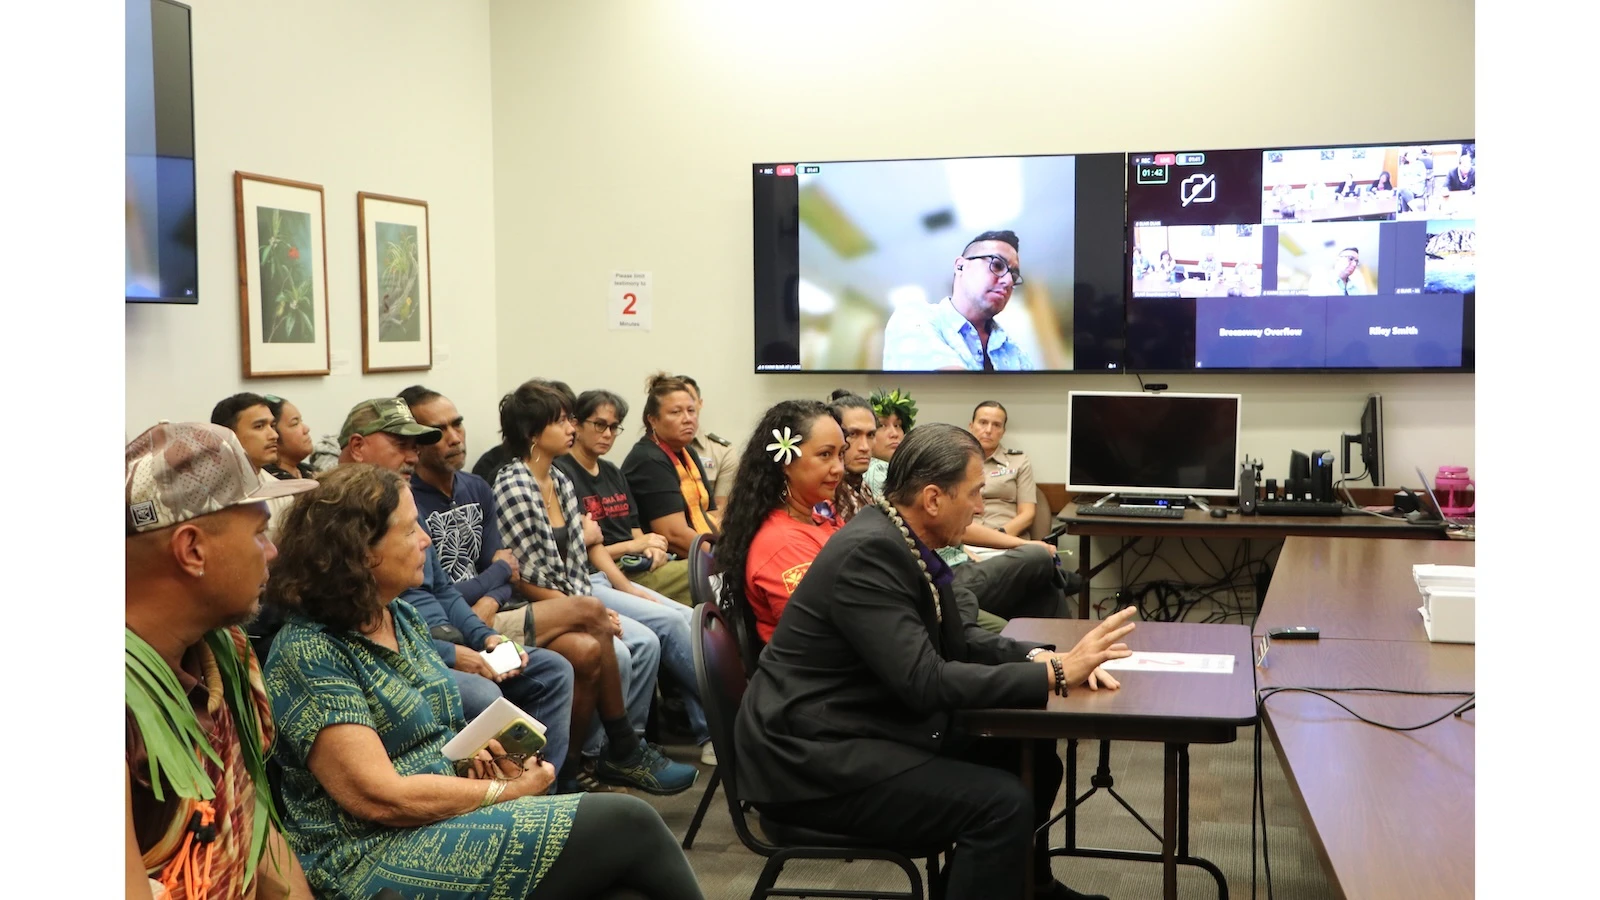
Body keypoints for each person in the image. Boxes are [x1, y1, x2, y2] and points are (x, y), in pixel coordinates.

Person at [261, 464, 706, 900]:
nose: (426, 539)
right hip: (369, 856)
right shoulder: (310, 651)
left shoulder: (398, 615)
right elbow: (378, 797)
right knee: (630, 820)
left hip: (437, 822)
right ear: (362, 552)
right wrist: (504, 791)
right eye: (409, 530)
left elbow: (436, 744)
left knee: (624, 890)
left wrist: (487, 766)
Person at [735, 424, 1138, 900]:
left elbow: (959, 636)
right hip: (812, 759)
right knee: (1001, 804)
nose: (981, 507)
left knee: (1030, 760)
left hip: (857, 725)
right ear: (932, 498)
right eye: (975, 493)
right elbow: (924, 681)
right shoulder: (871, 552)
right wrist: (1052, 676)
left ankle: (1028, 885)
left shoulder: (900, 537)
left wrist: (1048, 658)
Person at [125, 422, 317, 900]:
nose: (271, 551)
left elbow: (256, 834)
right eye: (258, 531)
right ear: (192, 550)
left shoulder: (224, 652)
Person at [495, 379, 711, 778]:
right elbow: (518, 579)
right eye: (561, 422)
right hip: (528, 605)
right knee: (622, 647)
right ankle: (605, 753)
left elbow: (577, 564)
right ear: (532, 434)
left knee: (639, 639)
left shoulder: (559, 480)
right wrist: (585, 610)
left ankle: (621, 748)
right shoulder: (513, 485)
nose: (571, 429)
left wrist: (588, 607)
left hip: (572, 597)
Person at [400, 385, 527, 638]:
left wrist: (489, 601)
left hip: (488, 611)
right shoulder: (406, 501)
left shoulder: (477, 487)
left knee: (584, 637)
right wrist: (499, 571)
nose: (455, 438)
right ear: (416, 444)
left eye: (457, 424)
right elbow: (438, 595)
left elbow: (509, 576)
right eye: (438, 431)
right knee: (585, 619)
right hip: (443, 625)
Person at [715, 400, 846, 643]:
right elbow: (820, 632)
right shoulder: (782, 544)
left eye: (841, 454)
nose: (838, 468)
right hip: (816, 674)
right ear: (786, 463)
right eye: (825, 455)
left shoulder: (819, 514)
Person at [555, 388, 694, 607]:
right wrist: (634, 546)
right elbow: (577, 552)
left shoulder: (612, 472)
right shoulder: (561, 474)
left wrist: (650, 548)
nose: (608, 434)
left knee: (705, 572)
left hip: (638, 562)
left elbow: (634, 528)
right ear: (576, 425)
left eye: (613, 427)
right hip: (603, 571)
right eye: (599, 425)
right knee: (703, 573)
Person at [881, 229, 1035, 371]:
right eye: (997, 265)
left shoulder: (1014, 350)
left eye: (1014, 276)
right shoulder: (913, 317)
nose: (1008, 281)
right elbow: (951, 394)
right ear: (960, 266)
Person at [620, 372, 719, 557]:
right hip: (661, 558)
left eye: (691, 411)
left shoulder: (687, 452)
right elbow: (673, 535)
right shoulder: (648, 459)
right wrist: (724, 560)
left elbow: (711, 512)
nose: (688, 418)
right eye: (676, 412)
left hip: (699, 549)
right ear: (653, 420)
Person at [211, 392, 297, 534]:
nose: (274, 435)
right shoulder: (205, 495)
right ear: (227, 435)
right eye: (259, 426)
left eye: (272, 426)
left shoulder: (282, 495)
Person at [678, 375, 741, 509]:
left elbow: (721, 509)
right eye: (676, 406)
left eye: (690, 401)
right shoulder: (652, 451)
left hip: (707, 526)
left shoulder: (723, 452)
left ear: (700, 403)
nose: (685, 412)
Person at [826, 390, 878, 523]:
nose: (865, 447)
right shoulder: (826, 493)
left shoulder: (864, 487)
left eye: (870, 435)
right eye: (853, 434)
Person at [864, 387, 915, 497]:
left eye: (897, 425)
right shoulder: (876, 470)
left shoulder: (902, 467)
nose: (894, 434)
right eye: (882, 425)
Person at [263, 394, 315, 479]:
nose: (306, 429)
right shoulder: (271, 481)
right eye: (295, 424)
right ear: (273, 434)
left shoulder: (308, 471)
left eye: (301, 421)